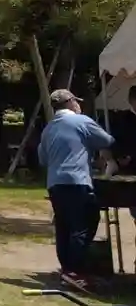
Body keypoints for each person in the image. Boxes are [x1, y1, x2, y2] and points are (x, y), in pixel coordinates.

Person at [37, 88, 116, 287]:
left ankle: (67, 270)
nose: (79, 105)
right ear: (70, 103)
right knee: (85, 224)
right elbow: (107, 140)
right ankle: (75, 271)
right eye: (76, 101)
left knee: (64, 226)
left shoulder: (48, 129)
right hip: (77, 180)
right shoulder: (81, 121)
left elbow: (43, 159)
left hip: (54, 183)